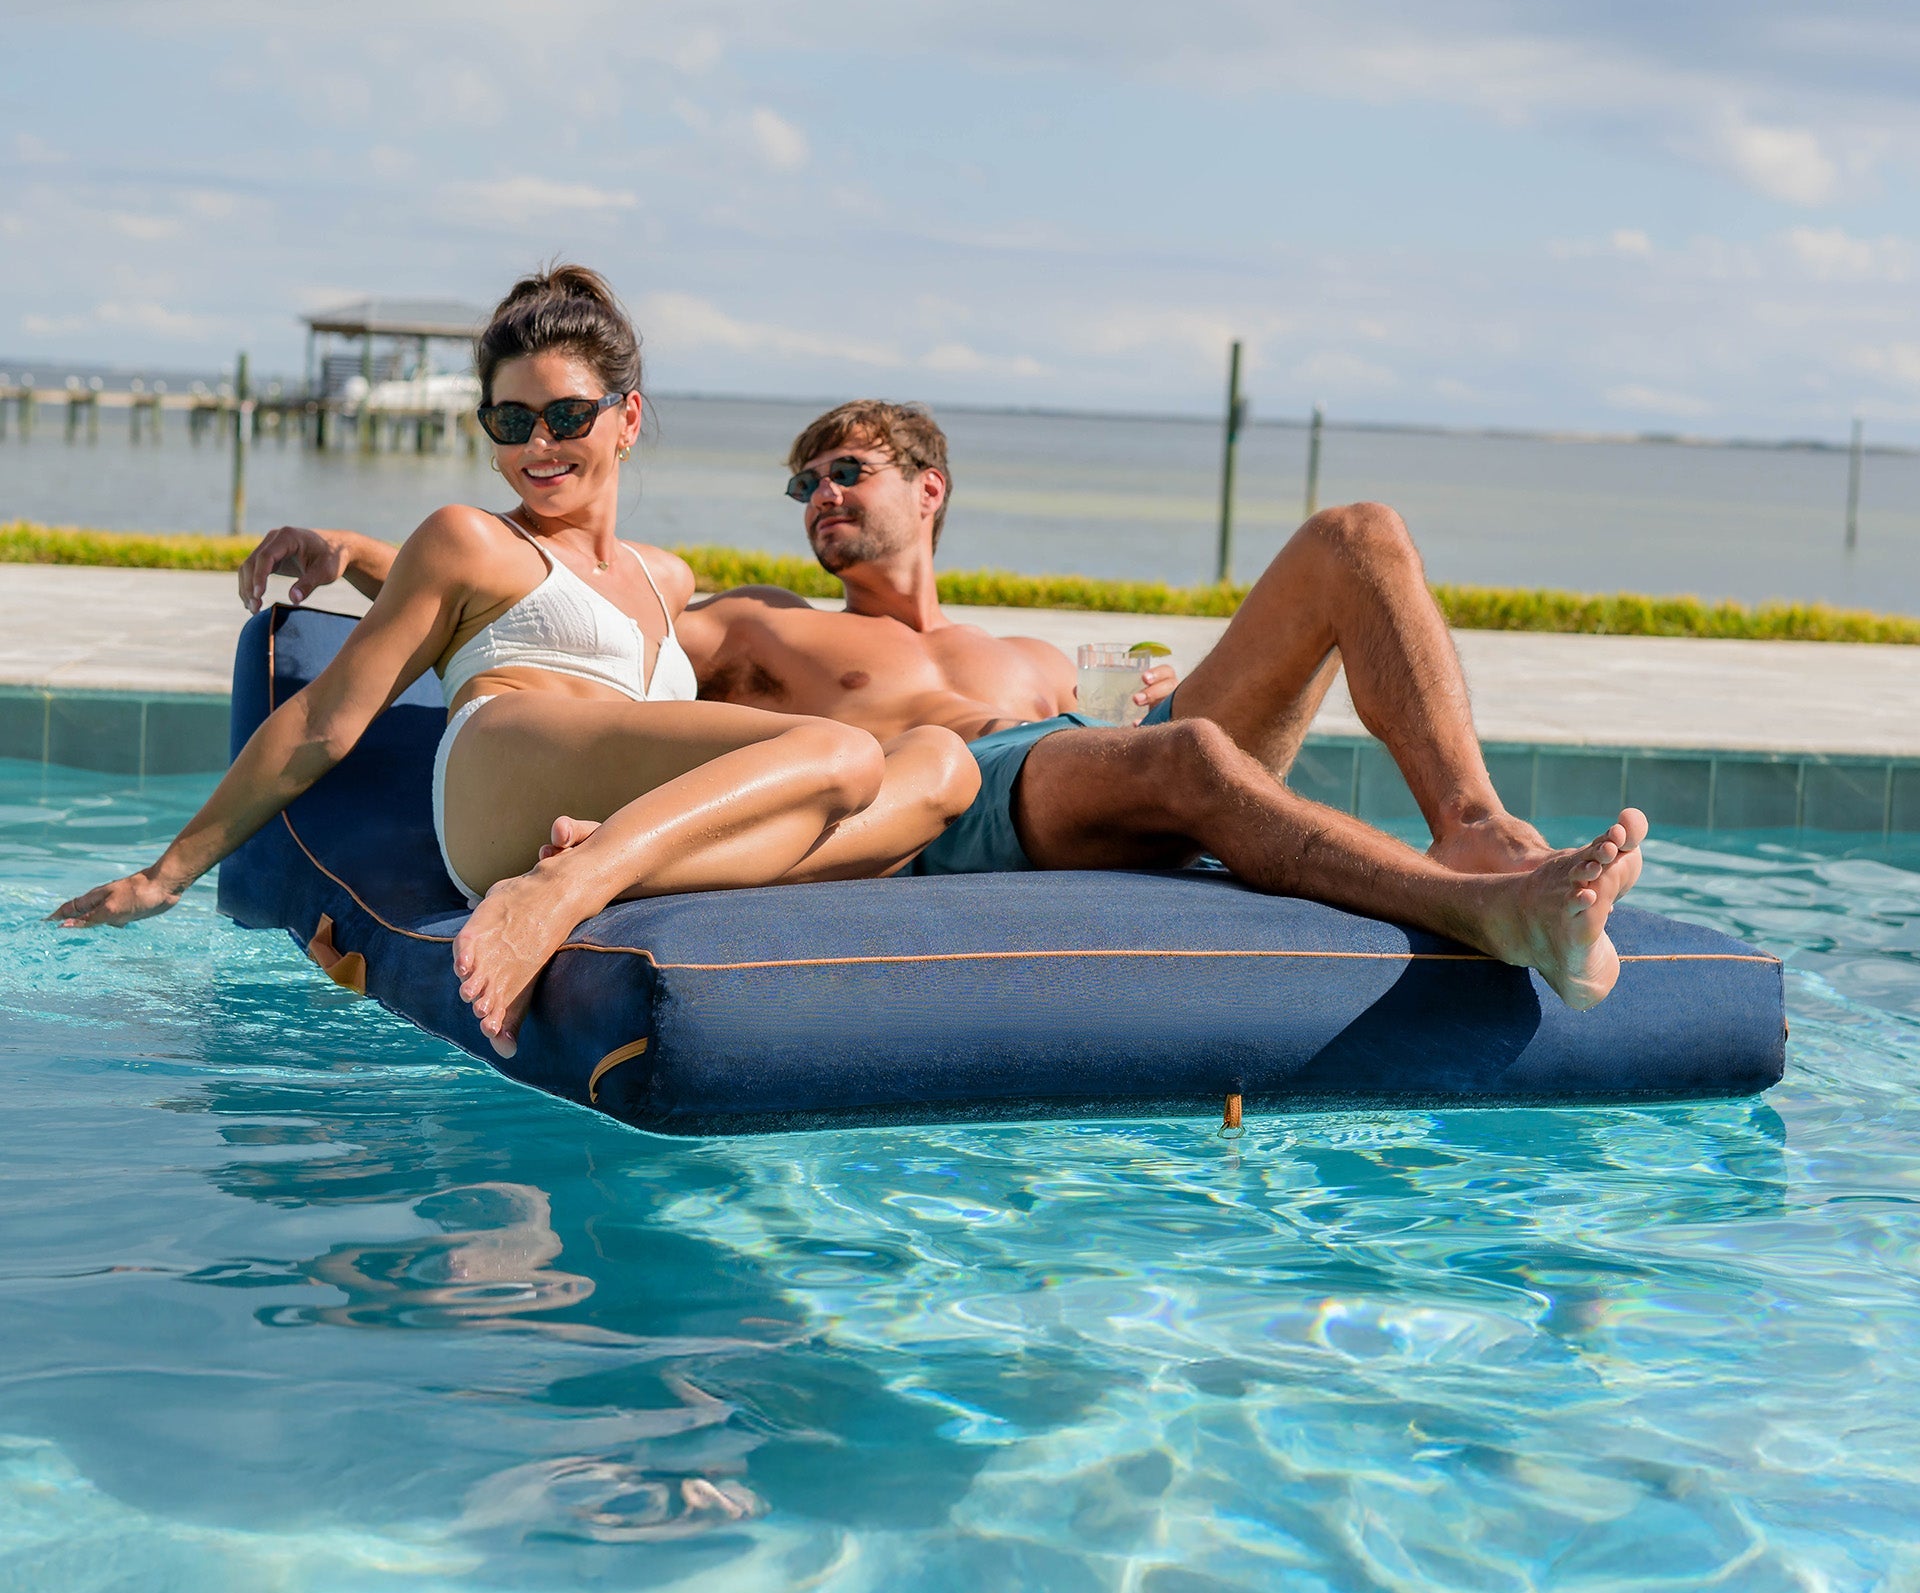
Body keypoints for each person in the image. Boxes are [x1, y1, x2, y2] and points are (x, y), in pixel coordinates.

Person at [241, 402, 1648, 1011]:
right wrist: (350, 553)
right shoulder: (762, 627)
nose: (819, 499)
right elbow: (544, 582)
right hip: (970, 798)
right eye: (802, 486)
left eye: (846, 473)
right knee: (1193, 757)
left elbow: (1141, 728)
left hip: (1102, 757)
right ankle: (1485, 912)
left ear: (931, 489)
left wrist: (1132, 710)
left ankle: (1475, 829)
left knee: (1356, 537)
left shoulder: (1024, 645)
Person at [53, 274, 979, 1058]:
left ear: (627, 418)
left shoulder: (667, 579)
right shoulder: (468, 539)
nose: (539, 444)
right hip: (503, 779)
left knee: (943, 767)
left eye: (567, 415)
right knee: (842, 757)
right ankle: (560, 886)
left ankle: (608, 860)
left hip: (612, 814)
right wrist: (164, 875)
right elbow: (323, 721)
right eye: (510, 419)